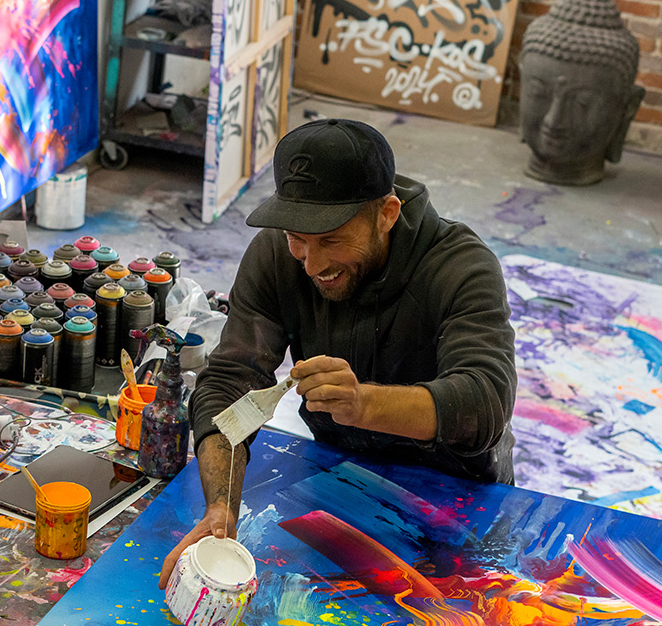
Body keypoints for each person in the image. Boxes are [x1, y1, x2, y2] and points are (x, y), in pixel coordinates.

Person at [159, 118, 516, 588]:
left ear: (387, 213)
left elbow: (484, 401)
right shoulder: (277, 256)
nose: (312, 264)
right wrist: (221, 506)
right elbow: (230, 381)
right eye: (298, 238)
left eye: (331, 239)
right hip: (337, 479)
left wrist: (363, 404)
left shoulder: (460, 266)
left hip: (455, 496)